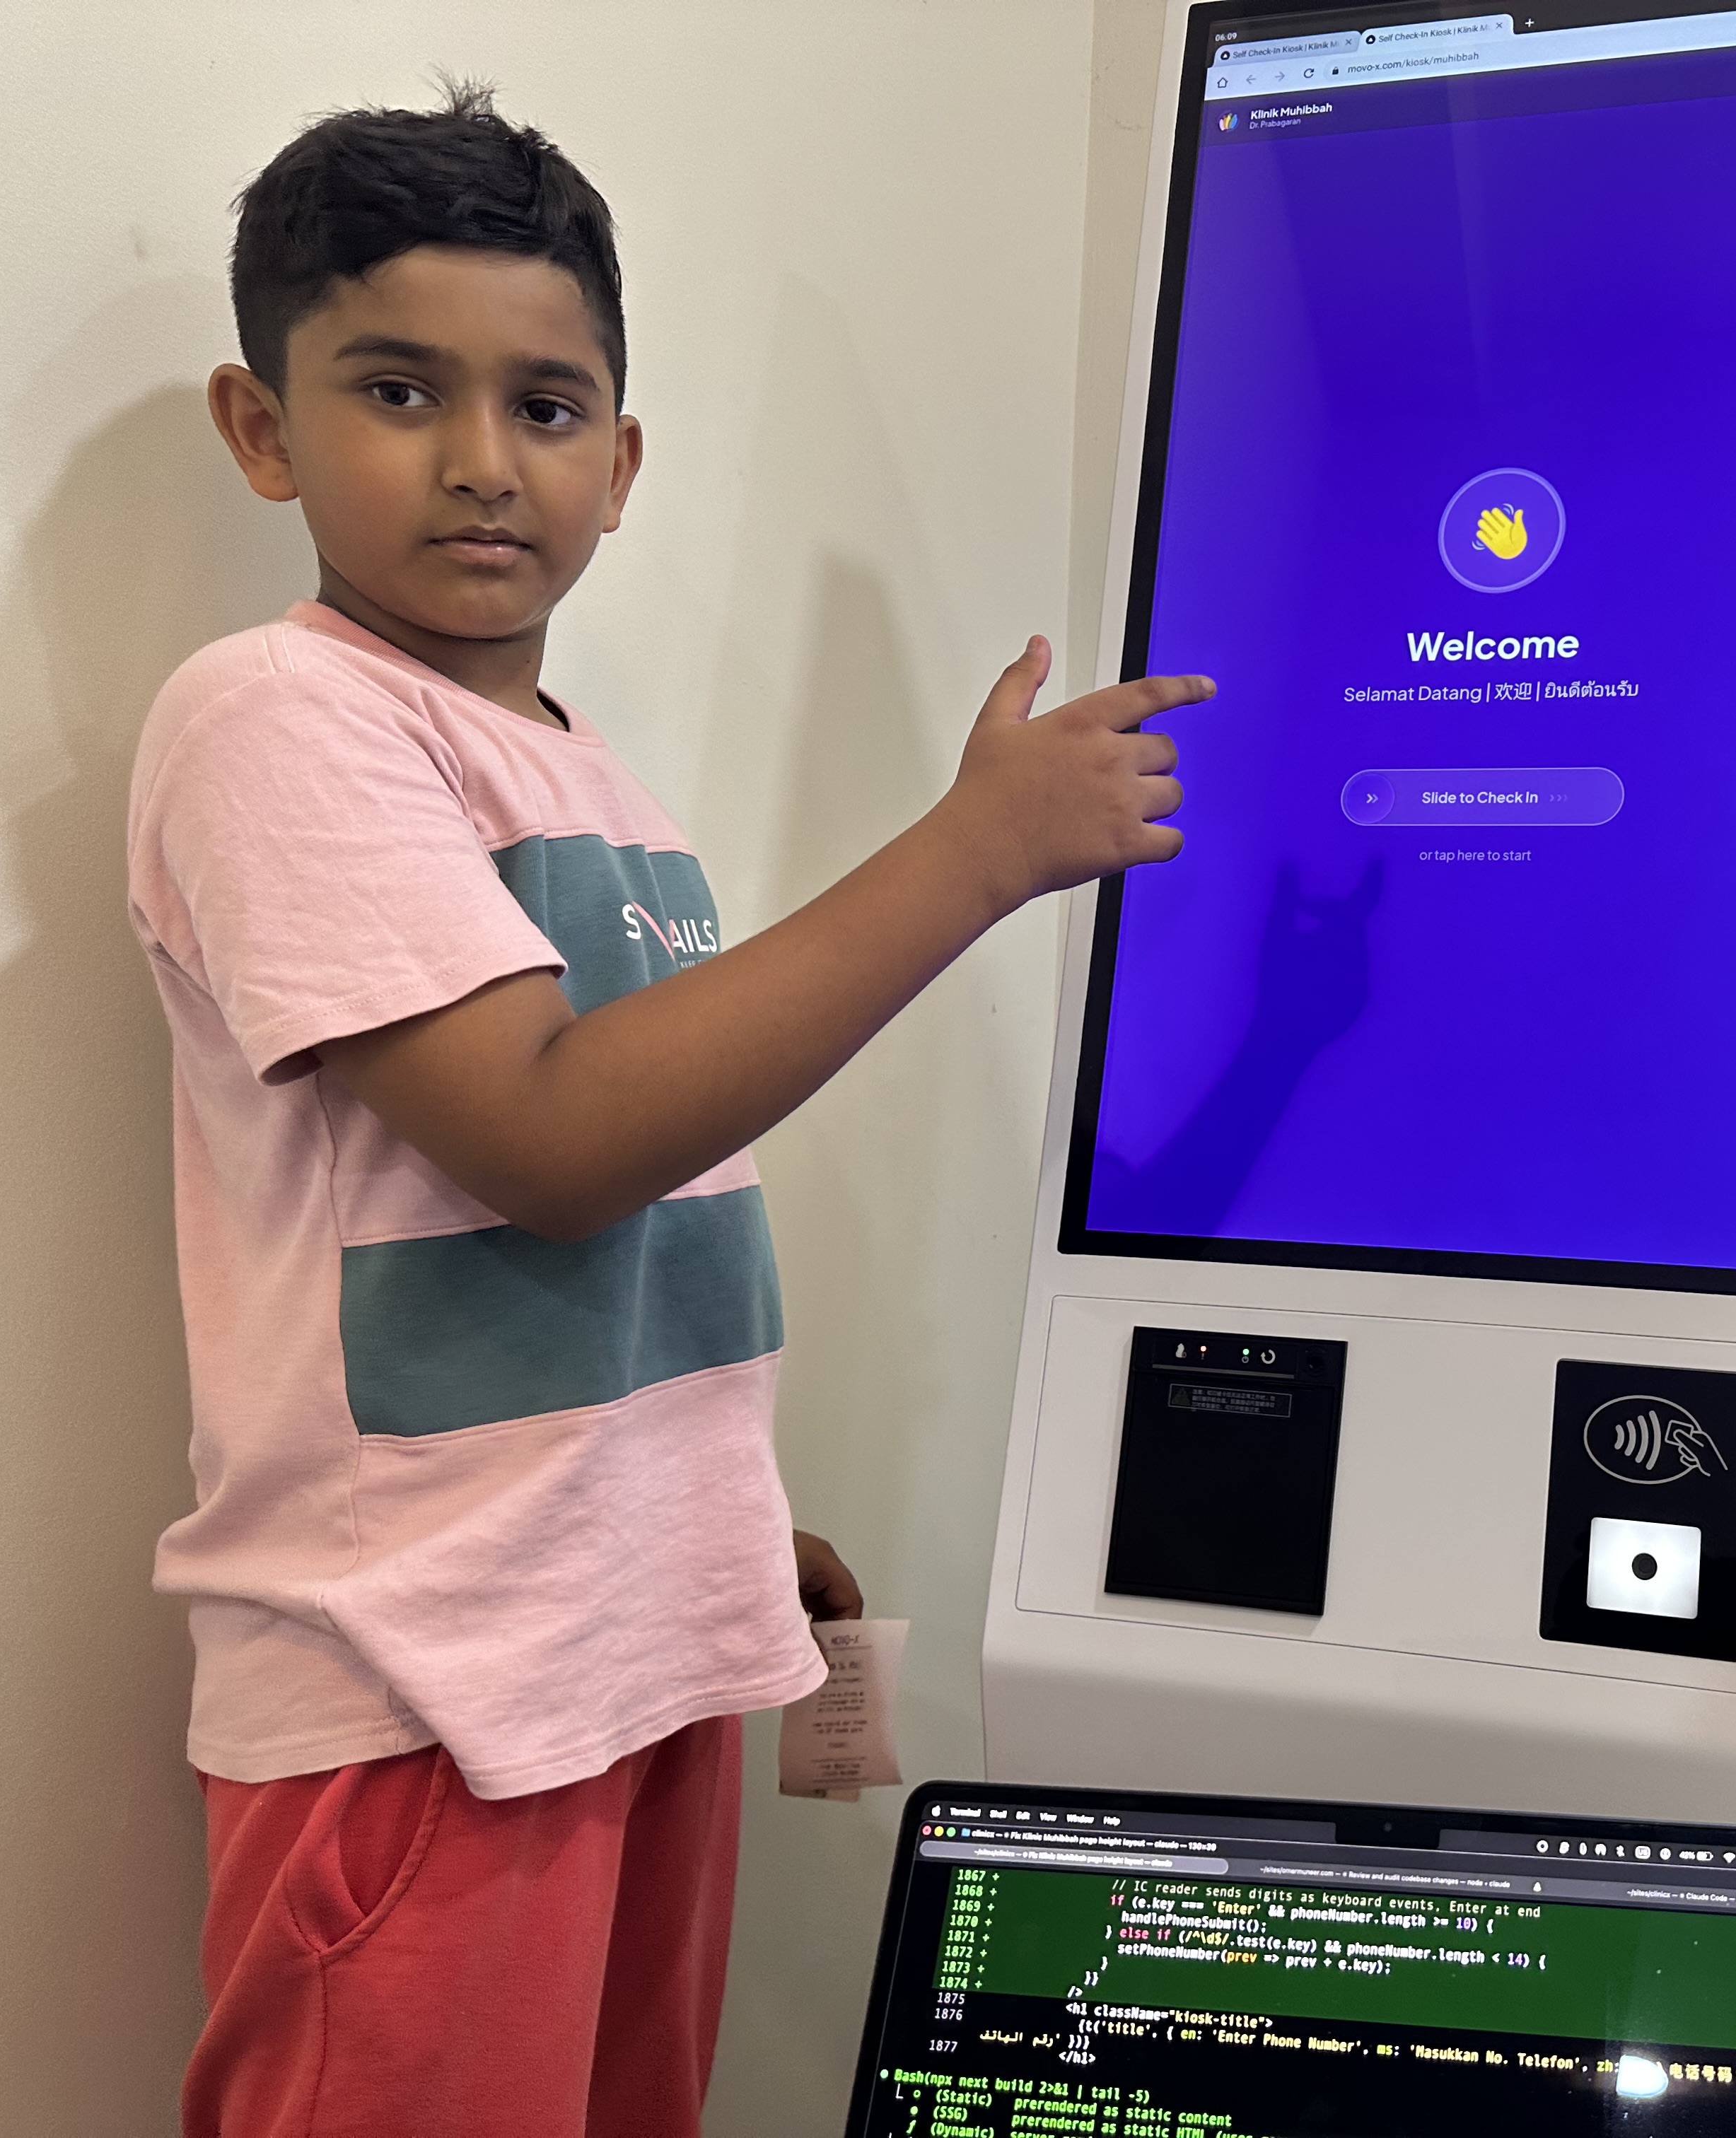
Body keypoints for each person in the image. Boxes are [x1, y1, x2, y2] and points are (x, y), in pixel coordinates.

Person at [125, 88, 1206, 2138]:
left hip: (619, 1655)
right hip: (422, 1703)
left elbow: (608, 1204)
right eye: (397, 389)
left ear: (619, 466)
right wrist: (976, 853)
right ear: (262, 430)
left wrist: (701, 1505)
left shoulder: (582, 769)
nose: (481, 458)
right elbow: (550, 1142)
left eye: (545, 406)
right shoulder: (276, 716)